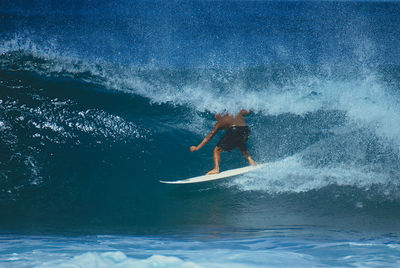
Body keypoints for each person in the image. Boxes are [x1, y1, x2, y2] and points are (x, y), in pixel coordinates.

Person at [190, 109, 257, 174]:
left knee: (217, 150)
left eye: (216, 114)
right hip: (246, 130)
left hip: (235, 130)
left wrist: (197, 147)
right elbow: (247, 111)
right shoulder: (236, 112)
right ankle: (251, 160)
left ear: (221, 114)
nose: (215, 117)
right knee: (240, 144)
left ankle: (216, 169)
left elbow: (210, 136)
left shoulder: (221, 121)